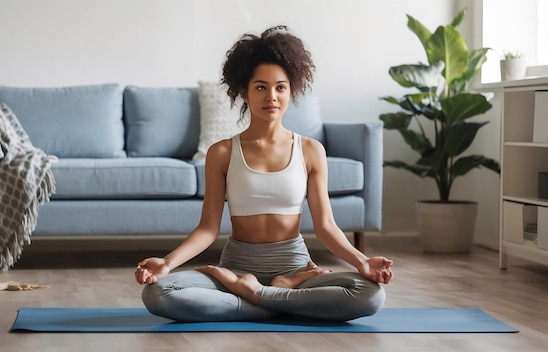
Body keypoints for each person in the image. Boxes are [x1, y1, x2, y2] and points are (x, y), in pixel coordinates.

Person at [134, 25, 394, 322]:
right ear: (244, 92)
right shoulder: (221, 152)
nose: (271, 96)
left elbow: (325, 226)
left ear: (291, 90)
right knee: (159, 294)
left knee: (370, 294)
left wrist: (363, 263)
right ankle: (277, 297)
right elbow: (208, 228)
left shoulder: (310, 150)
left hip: (296, 269)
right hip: (237, 268)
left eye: (280, 87)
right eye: (261, 87)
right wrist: (167, 264)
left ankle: (254, 294)